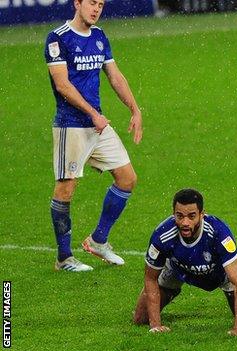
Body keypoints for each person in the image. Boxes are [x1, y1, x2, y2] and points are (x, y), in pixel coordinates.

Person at [44, 0, 143, 271]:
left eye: (100, 4)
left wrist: (134, 109)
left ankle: (98, 240)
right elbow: (62, 85)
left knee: (127, 178)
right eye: (91, 3)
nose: (96, 8)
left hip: (97, 125)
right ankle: (64, 258)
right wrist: (92, 114)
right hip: (71, 125)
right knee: (66, 188)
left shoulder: (99, 36)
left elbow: (115, 76)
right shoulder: (58, 38)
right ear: (77, 3)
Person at [132, 189, 237, 337]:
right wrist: (156, 325)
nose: (185, 222)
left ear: (202, 214)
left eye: (191, 216)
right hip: (177, 271)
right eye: (180, 216)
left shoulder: (219, 233)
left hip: (220, 273)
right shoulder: (162, 235)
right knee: (140, 318)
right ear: (173, 214)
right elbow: (150, 278)